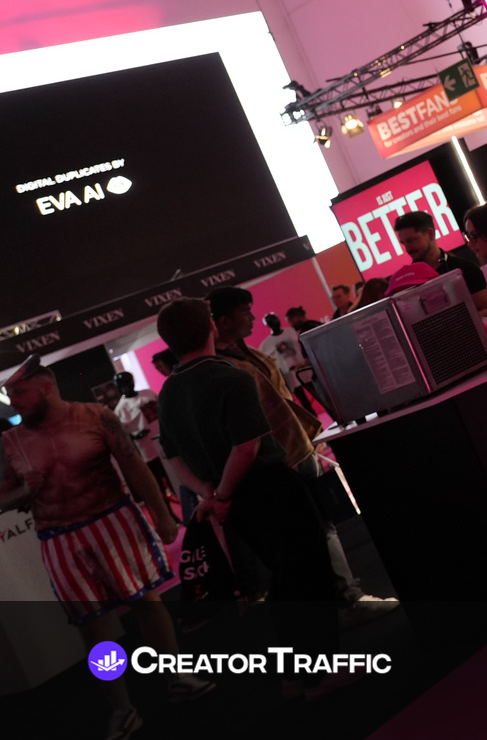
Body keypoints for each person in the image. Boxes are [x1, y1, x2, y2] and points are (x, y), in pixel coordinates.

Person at [0, 357, 211, 738]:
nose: (12, 402)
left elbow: (135, 467)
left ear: (46, 387)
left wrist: (162, 516)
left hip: (113, 521)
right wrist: (23, 491)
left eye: (19, 392)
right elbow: (2, 497)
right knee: (93, 627)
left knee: (148, 604)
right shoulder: (11, 441)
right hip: (60, 537)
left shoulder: (96, 417)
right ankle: (123, 707)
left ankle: (177, 677)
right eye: (9, 394)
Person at [154, 299, 354, 699]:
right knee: (306, 576)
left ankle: (296, 676)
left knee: (283, 579)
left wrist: (209, 491)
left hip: (232, 499)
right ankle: (320, 675)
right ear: (210, 327)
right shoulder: (231, 377)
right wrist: (222, 493)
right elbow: (247, 447)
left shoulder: (169, 391)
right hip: (267, 486)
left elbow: (173, 457)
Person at [206, 288, 388, 620]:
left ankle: (343, 600)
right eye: (246, 312)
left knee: (323, 527)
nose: (253, 317)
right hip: (278, 459)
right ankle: (346, 601)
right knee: (314, 533)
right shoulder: (222, 365)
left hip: (296, 448)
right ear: (224, 321)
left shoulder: (243, 353)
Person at [392, 210, 487, 318]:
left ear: (430, 234)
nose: (407, 248)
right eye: (403, 243)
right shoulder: (406, 283)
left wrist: (461, 321)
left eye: (411, 240)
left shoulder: (465, 269)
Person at [110, 371, 170, 505]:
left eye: (128, 382)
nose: (126, 386)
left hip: (165, 443)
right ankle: (170, 513)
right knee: (158, 486)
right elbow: (122, 435)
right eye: (122, 384)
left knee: (175, 479)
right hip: (148, 452)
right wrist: (136, 435)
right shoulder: (121, 409)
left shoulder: (148, 394)